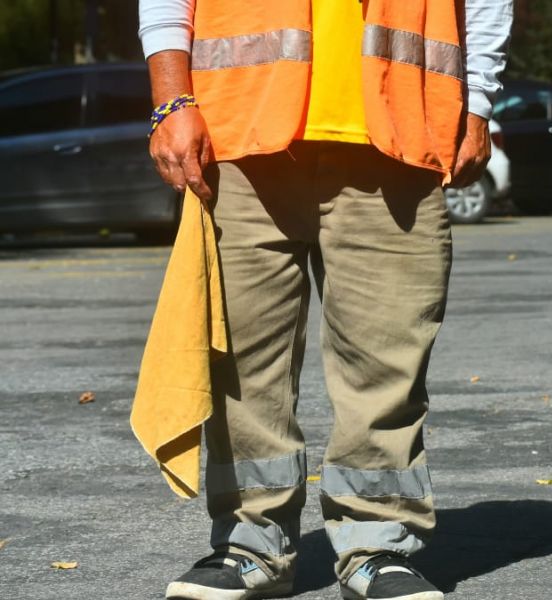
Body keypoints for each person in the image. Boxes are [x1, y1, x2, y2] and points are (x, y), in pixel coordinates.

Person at [136, 1, 513, 598]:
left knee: (387, 363)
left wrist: (480, 100)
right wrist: (171, 100)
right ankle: (249, 544)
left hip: (400, 129)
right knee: (241, 363)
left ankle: (379, 545)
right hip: (239, 131)